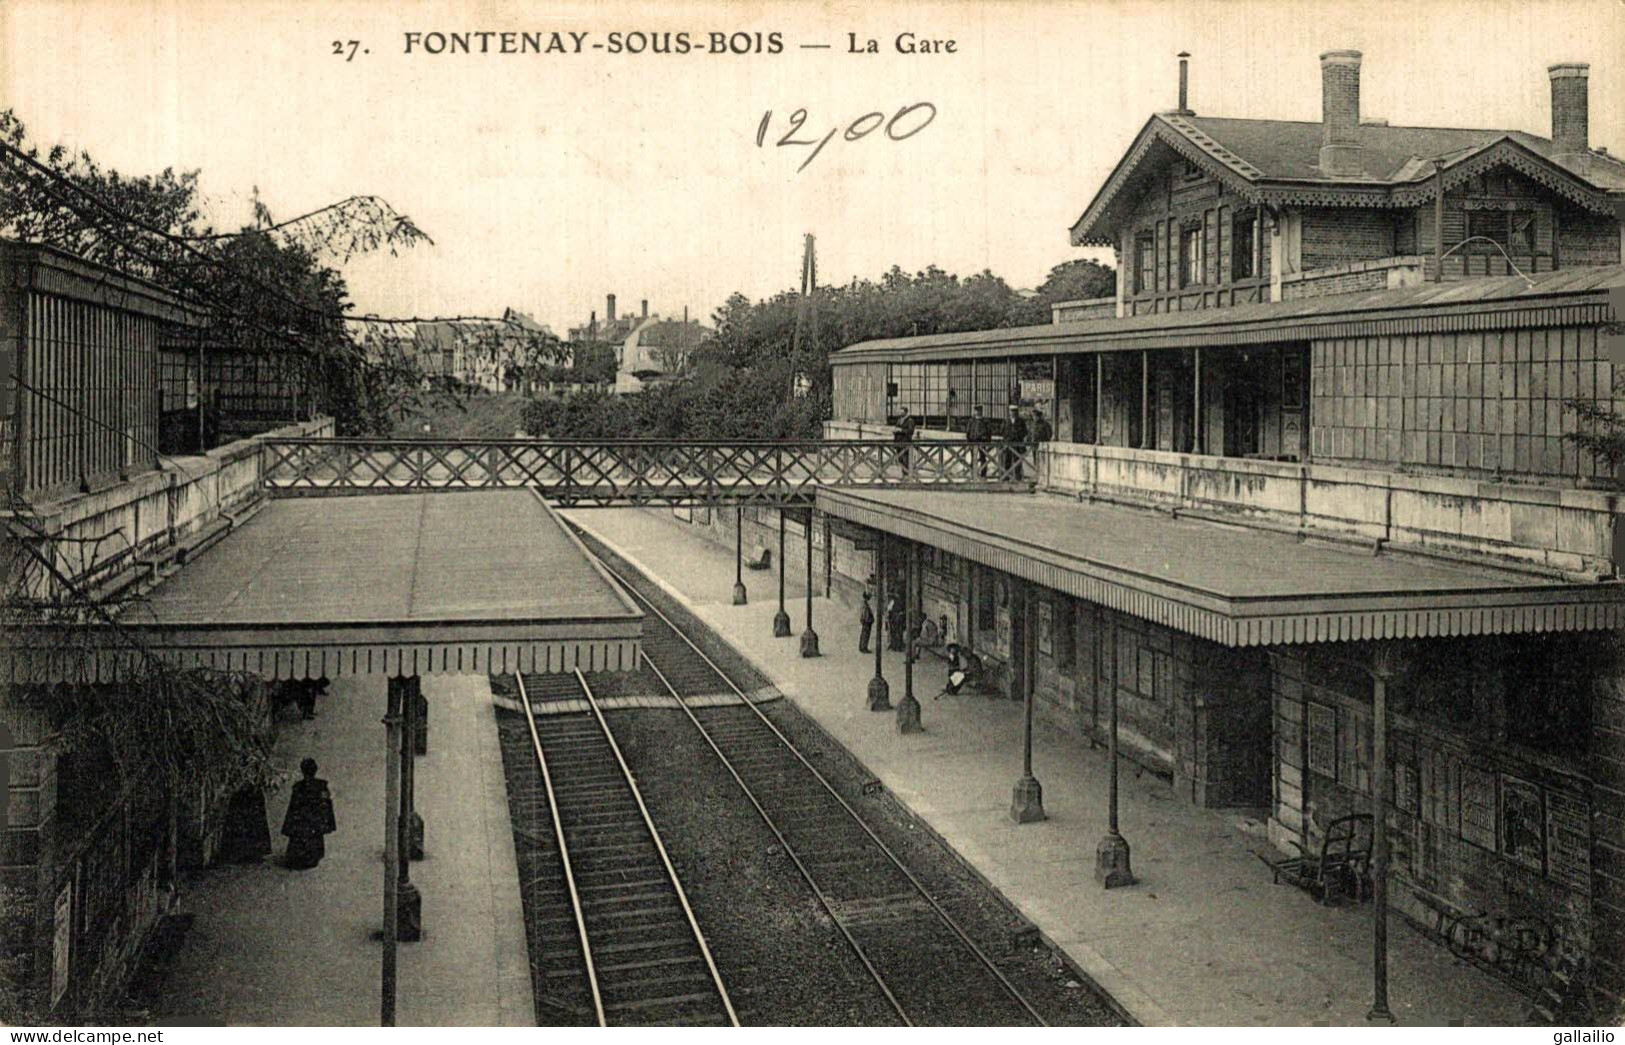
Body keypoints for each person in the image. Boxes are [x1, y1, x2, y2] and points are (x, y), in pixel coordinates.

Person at [282, 758, 337, 870]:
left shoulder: (297, 787)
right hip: (314, 823)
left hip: (300, 823)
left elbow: (292, 809)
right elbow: (326, 805)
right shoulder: (321, 786)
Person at [217, 781, 272, 864]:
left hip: (252, 789)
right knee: (238, 820)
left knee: (254, 819)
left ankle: (254, 851)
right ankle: (238, 852)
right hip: (240, 789)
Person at [1003, 406, 1030, 480]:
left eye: (1014, 411)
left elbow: (1025, 432)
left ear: (1017, 412)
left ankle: (1018, 477)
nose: (1013, 413)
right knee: (1007, 461)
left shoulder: (1021, 421)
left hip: (1017, 444)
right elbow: (1003, 432)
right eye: (1011, 411)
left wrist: (1018, 436)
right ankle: (1006, 477)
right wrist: (1006, 440)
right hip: (1008, 444)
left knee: (1017, 461)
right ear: (1009, 412)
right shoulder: (1006, 421)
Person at [966, 405, 991, 478]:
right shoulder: (971, 421)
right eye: (976, 411)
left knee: (983, 458)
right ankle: (973, 474)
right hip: (973, 441)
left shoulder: (985, 421)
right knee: (973, 458)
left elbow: (989, 432)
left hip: (982, 442)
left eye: (979, 411)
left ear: (981, 411)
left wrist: (988, 441)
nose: (978, 412)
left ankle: (983, 474)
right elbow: (968, 432)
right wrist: (968, 442)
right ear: (975, 411)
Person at [895, 406, 918, 474]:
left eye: (902, 412)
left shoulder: (910, 420)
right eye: (900, 412)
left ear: (906, 412)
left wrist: (901, 430)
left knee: (905, 458)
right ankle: (904, 472)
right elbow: (897, 427)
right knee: (900, 458)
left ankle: (906, 473)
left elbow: (911, 431)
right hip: (898, 442)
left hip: (905, 442)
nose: (900, 413)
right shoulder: (899, 420)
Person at [858, 585, 875, 654]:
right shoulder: (865, 604)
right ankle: (863, 647)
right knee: (866, 634)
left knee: (864, 633)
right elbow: (866, 613)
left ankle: (862, 646)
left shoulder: (864, 603)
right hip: (866, 621)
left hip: (865, 620)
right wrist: (870, 619)